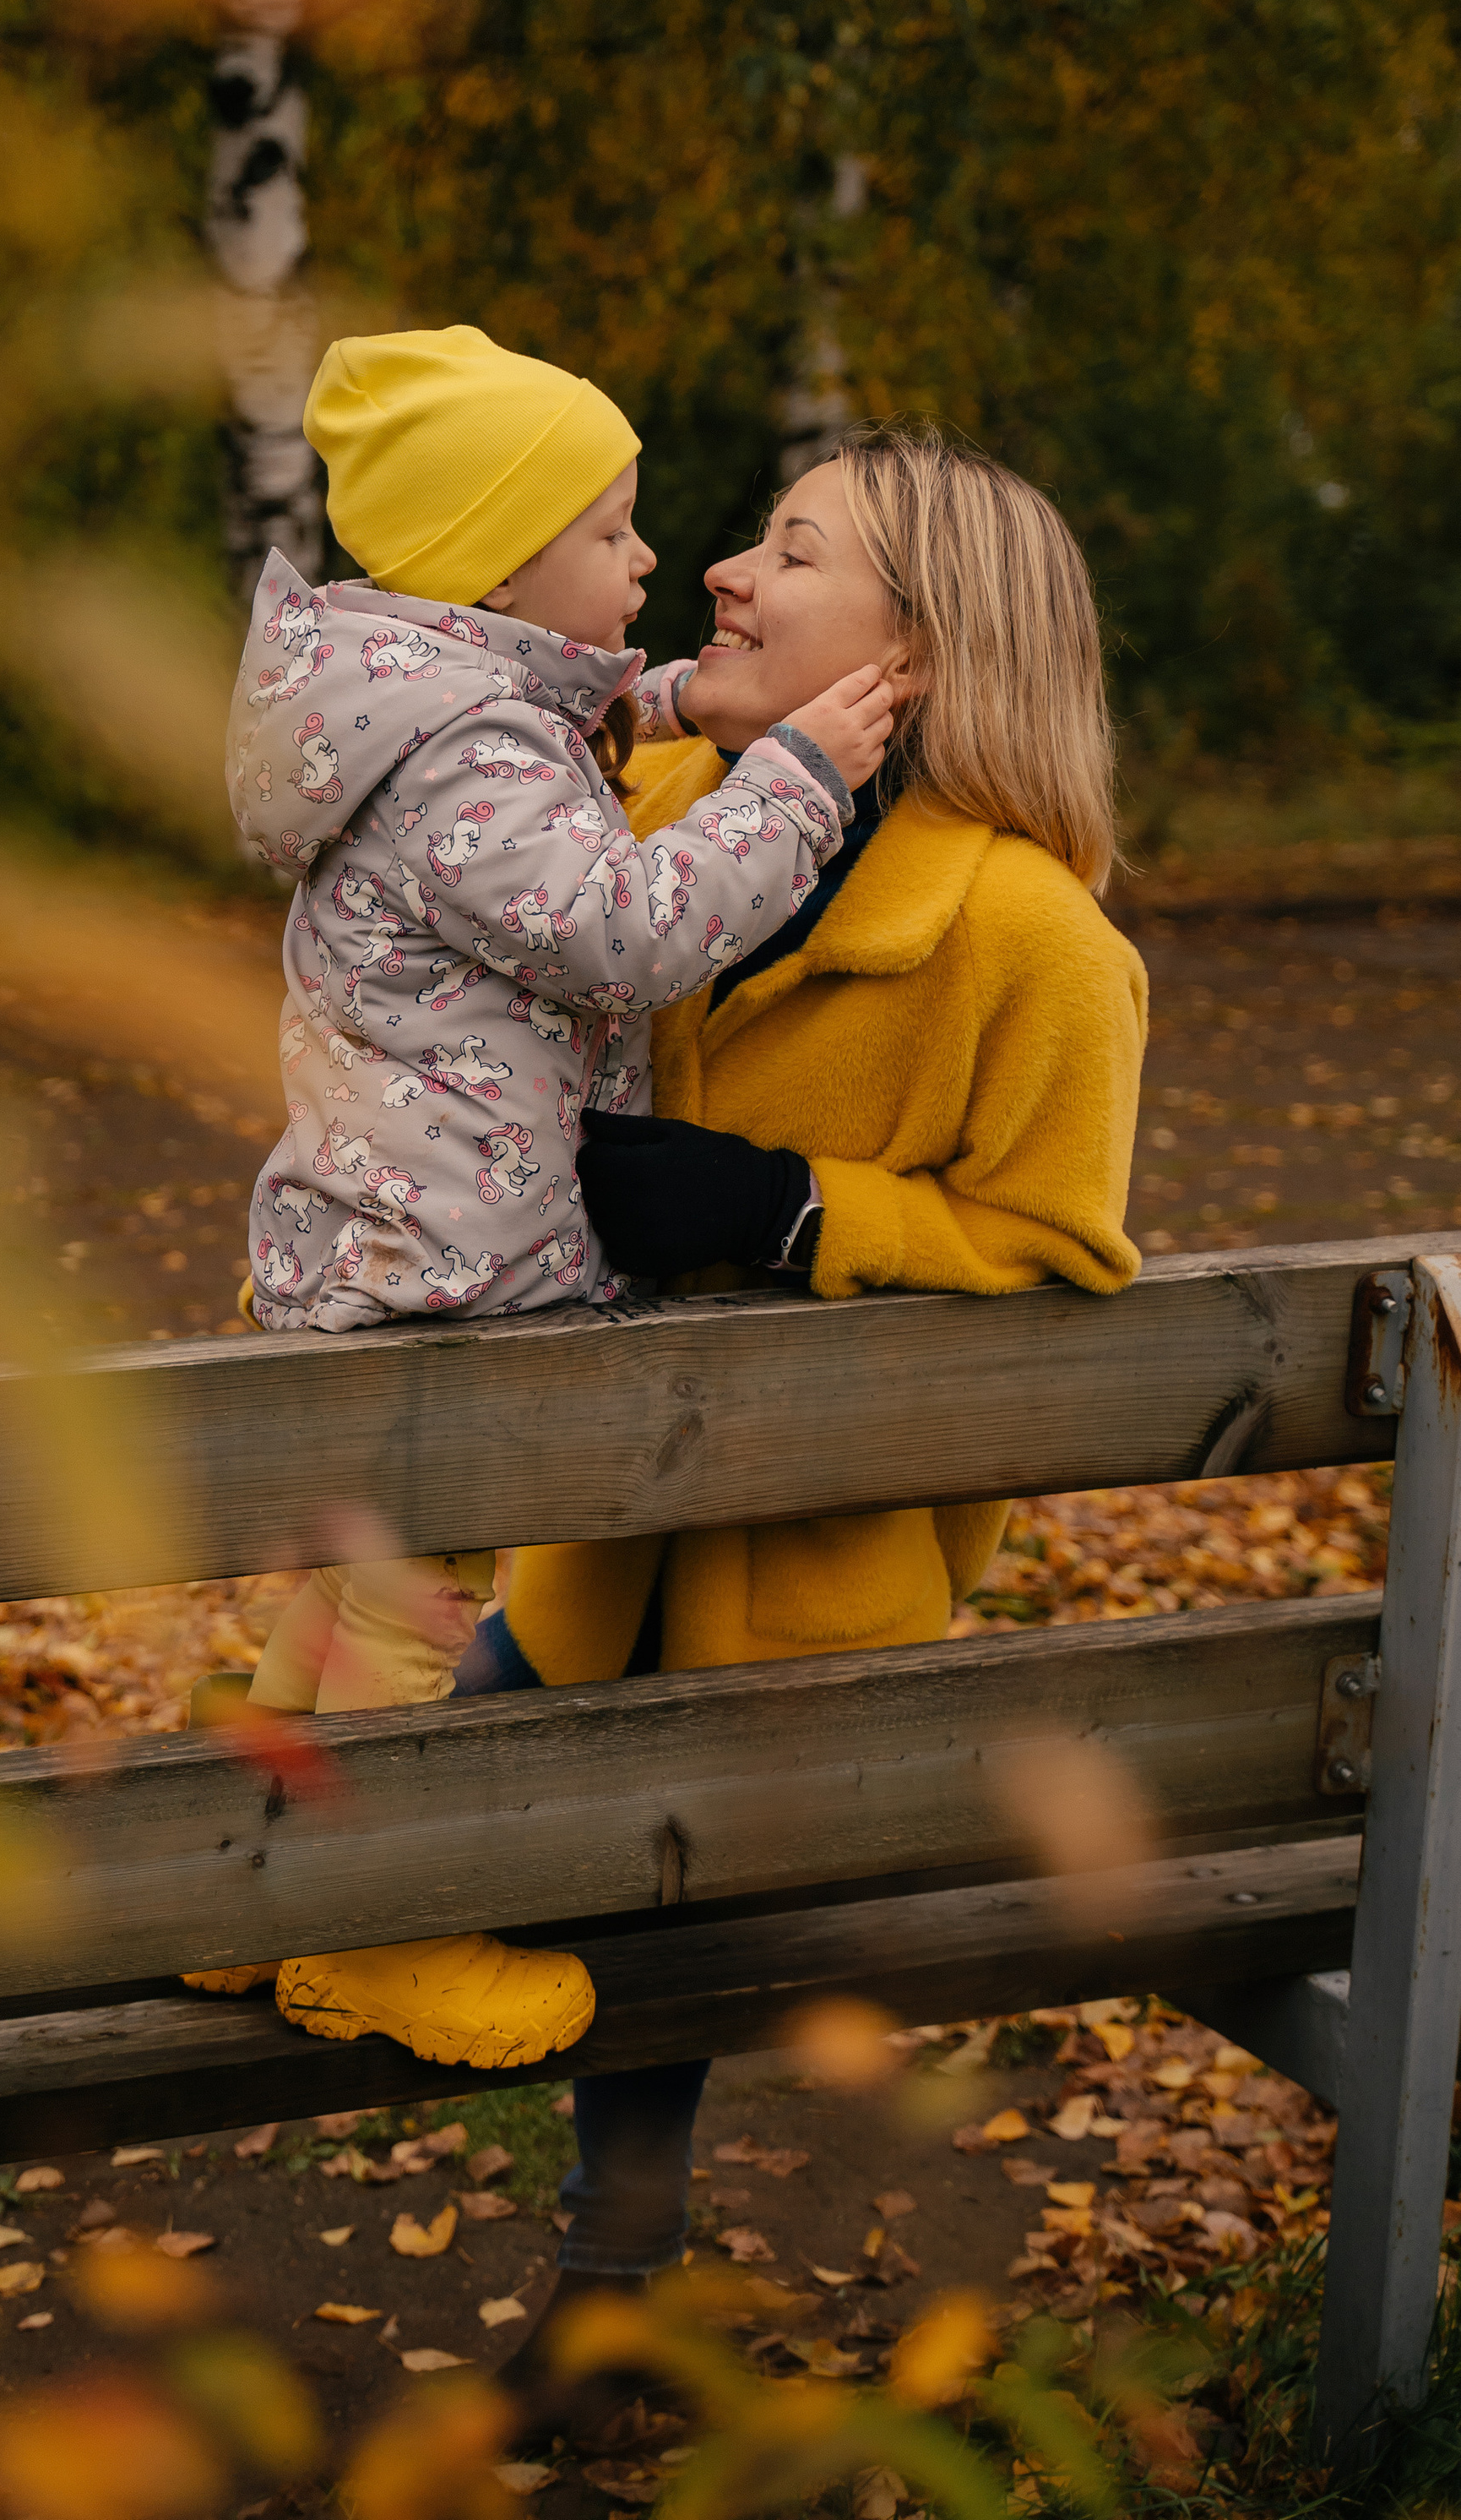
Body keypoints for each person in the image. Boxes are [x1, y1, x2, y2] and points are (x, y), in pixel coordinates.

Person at [450, 423, 1149, 2384]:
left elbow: (1058, 1263)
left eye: (789, 549)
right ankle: (613, 2281)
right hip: (586, 1542)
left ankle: (609, 2281)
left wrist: (787, 1210)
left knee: (620, 1897)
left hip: (802, 1618)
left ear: (917, 651)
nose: (723, 576)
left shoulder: (1030, 943)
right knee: (425, 1842)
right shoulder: (658, 810)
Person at [198, 323, 897, 2071]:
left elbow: (544, 725)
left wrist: (669, 706)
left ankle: (230, 1897)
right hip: (447, 1257)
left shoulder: (423, 705)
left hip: (386, 1228)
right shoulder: (471, 757)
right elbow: (625, 926)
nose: (649, 561)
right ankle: (374, 1934)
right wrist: (793, 785)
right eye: (609, 529)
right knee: (407, 1608)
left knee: (349, 1590)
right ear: (504, 563)